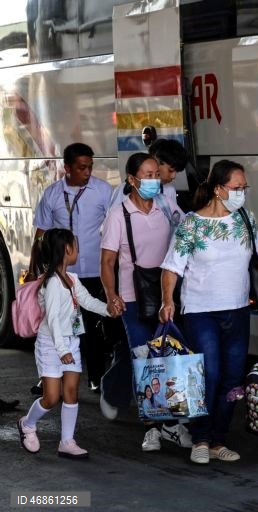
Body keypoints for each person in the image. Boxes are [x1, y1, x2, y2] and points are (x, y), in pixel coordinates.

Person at [159, 159, 258, 465]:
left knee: (232, 379)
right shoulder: (191, 225)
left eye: (245, 187)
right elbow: (171, 268)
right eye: (236, 188)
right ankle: (200, 438)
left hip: (239, 310)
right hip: (201, 312)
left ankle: (218, 440)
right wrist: (168, 300)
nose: (242, 193)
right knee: (210, 375)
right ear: (218, 189)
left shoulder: (245, 218)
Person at [100, 152, 191, 451]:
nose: (155, 179)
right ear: (132, 180)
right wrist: (112, 296)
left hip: (165, 295)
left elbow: (187, 232)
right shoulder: (118, 215)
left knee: (167, 356)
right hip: (132, 297)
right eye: (148, 175)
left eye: (156, 174)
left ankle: (169, 424)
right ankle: (154, 427)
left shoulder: (166, 204)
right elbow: (108, 261)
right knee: (145, 358)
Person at [17, 229, 118, 458]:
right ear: (66, 250)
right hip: (52, 345)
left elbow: (87, 301)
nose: (78, 250)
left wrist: (109, 310)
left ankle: (67, 441)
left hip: (70, 342)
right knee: (52, 397)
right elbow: (52, 320)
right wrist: (62, 350)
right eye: (75, 245)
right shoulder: (52, 283)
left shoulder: (72, 279)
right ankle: (28, 424)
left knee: (71, 391)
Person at [29, 142, 114, 393]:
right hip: (60, 274)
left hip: (93, 271)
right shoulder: (53, 194)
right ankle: (48, 376)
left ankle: (96, 376)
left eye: (90, 167)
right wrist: (34, 269)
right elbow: (41, 233)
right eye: (81, 168)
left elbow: (115, 228)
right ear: (67, 168)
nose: (87, 172)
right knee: (55, 323)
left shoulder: (102, 191)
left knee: (91, 327)